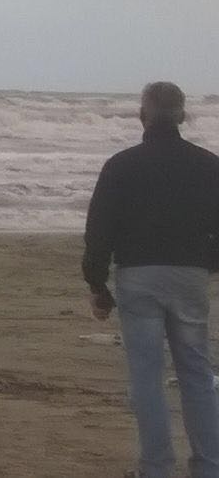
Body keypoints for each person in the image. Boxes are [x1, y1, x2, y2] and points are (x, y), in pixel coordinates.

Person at [83, 81, 219, 478]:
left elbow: (99, 228)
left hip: (138, 274)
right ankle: (209, 466)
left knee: (147, 375)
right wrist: (208, 265)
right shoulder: (209, 165)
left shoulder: (122, 164)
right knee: (197, 372)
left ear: (142, 115)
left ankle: (156, 466)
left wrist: (96, 284)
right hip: (190, 273)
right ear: (183, 115)